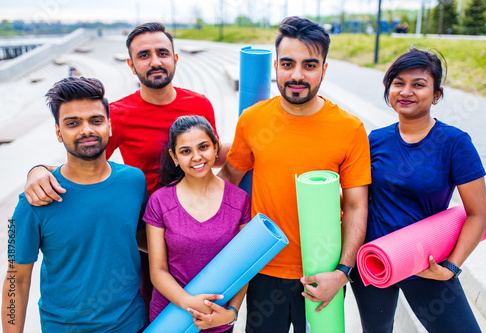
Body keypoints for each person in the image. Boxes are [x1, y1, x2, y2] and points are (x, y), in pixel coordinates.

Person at [23, 22, 227, 318]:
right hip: (148, 234)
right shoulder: (117, 114)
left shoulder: (199, 105)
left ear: (175, 58)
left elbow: (204, 159)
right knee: (154, 313)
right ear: (131, 65)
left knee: (207, 308)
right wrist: (38, 169)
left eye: (162, 53)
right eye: (144, 55)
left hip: (197, 228)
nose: (155, 61)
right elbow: (85, 167)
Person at [218, 16, 371, 332]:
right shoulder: (253, 120)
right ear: (275, 66)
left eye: (309, 65)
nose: (297, 75)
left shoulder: (349, 128)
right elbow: (228, 181)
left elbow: (357, 205)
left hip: (322, 271)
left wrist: (342, 272)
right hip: (262, 266)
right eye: (287, 64)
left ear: (324, 70)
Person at [350, 48, 486, 332]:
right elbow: (358, 201)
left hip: (426, 262)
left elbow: (479, 214)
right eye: (398, 82)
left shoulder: (455, 143)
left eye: (419, 84)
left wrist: (451, 267)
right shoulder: (375, 140)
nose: (406, 91)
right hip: (373, 259)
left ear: (436, 94)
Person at [1, 77, 147, 332]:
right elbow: (16, 278)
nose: (86, 130)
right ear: (58, 132)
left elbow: (142, 239)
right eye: (72, 123)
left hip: (131, 324)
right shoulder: (33, 199)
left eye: (96, 120)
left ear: (110, 126)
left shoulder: (134, 181)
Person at [145, 116, 250, 331]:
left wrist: (231, 314)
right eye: (185, 151)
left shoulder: (239, 200)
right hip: (170, 317)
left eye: (203, 147)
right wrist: (187, 302)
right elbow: (157, 270)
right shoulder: (160, 201)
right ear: (174, 157)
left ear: (216, 148)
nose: (196, 157)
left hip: (217, 318)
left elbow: (244, 266)